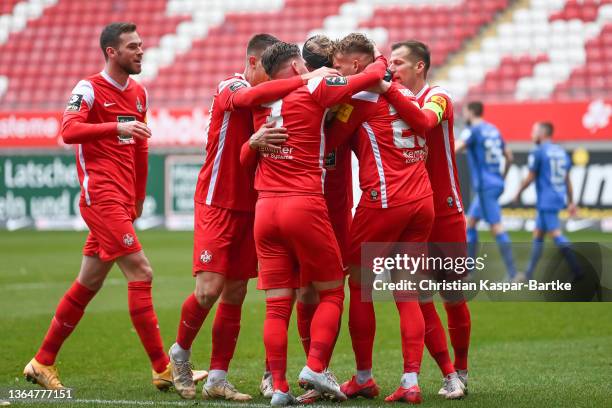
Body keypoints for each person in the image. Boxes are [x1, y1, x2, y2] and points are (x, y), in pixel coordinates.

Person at [166, 34, 336, 400]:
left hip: (257, 204)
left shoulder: (277, 97)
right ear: (255, 63)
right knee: (209, 289)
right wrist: (305, 79)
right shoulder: (234, 84)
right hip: (218, 200)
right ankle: (179, 353)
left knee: (237, 291)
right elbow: (240, 100)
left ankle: (217, 377)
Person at [24, 22, 175, 391]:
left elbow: (140, 146)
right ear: (112, 52)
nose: (141, 51)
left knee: (88, 282)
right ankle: (163, 368)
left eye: (141, 45)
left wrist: (139, 199)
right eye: (132, 46)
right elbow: (68, 130)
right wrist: (113, 128)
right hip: (100, 196)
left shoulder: (139, 93)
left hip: (122, 201)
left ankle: (42, 361)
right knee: (141, 272)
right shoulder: (88, 88)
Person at [242, 40, 387, 406]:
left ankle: (279, 387)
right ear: (294, 68)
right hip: (303, 203)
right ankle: (316, 366)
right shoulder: (314, 89)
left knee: (277, 304)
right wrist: (380, 61)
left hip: (265, 208)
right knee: (333, 290)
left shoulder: (259, 97)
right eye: (303, 65)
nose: (309, 68)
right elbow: (366, 79)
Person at [326, 34, 433, 404]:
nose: (336, 73)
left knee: (360, 287)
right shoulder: (403, 93)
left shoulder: (359, 101)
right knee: (407, 292)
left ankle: (364, 377)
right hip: (422, 201)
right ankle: (411, 380)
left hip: (384, 203)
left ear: (357, 65)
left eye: (339, 66)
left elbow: (329, 139)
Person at [380, 40, 471, 398]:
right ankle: (448, 374)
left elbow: (426, 120)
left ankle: (461, 370)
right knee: (418, 298)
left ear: (420, 67)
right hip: (409, 211)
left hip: (445, 211)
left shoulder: (439, 96)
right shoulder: (387, 99)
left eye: (399, 63)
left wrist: (386, 89)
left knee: (453, 295)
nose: (392, 69)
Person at [455, 101, 517, 281]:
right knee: (470, 223)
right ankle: (468, 271)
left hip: (484, 186)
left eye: (465, 112)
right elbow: (509, 156)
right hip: (495, 182)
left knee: (496, 226)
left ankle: (513, 274)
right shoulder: (493, 129)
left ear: (471, 112)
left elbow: (456, 148)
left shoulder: (473, 130)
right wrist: (502, 177)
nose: (464, 116)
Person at [513, 122, 581, 281]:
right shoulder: (560, 152)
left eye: (534, 131)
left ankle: (578, 268)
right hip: (557, 196)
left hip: (546, 199)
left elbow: (530, 177)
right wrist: (571, 201)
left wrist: (517, 193)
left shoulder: (538, 151)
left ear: (542, 134)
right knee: (538, 234)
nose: (532, 135)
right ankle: (528, 274)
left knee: (556, 234)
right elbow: (567, 179)